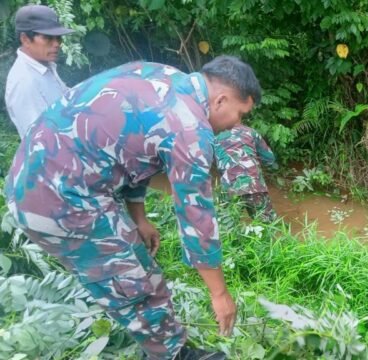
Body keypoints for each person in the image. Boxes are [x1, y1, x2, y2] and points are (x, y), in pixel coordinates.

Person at [4, 55, 261, 360]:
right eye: (241, 113)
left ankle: (169, 346)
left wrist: (138, 217)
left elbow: (136, 150)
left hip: (46, 175)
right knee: (131, 284)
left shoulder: (161, 75)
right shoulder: (190, 129)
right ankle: (170, 355)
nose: (238, 124)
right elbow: (196, 217)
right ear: (220, 100)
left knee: (143, 270)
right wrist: (219, 294)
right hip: (56, 198)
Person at [4, 4, 74, 137]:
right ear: (25, 39)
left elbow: (66, 99)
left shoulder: (44, 66)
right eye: (48, 38)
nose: (57, 44)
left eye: (58, 37)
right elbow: (40, 139)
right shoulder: (24, 81)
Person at [214, 124, 279, 222]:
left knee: (228, 228)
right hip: (254, 184)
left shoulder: (214, 137)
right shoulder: (250, 132)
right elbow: (269, 158)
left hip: (229, 187)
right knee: (267, 224)